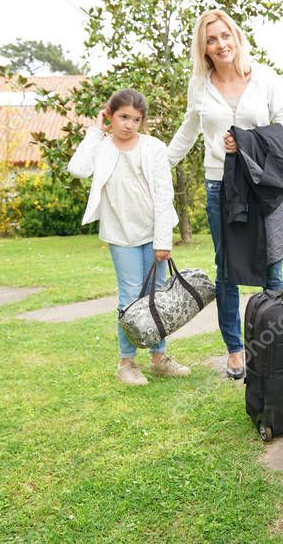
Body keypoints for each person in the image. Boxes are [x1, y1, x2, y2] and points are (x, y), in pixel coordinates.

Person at [168, 10, 283, 380]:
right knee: (227, 268)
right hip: (219, 185)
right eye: (212, 39)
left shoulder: (264, 77)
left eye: (226, 36)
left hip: (263, 183)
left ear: (236, 37)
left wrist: (249, 141)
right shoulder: (199, 85)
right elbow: (188, 132)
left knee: (273, 264)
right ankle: (236, 351)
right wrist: (154, 164)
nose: (221, 44)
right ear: (203, 48)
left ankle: (270, 344)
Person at [68, 89, 190, 386]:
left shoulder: (154, 148)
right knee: (130, 297)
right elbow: (77, 168)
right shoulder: (101, 147)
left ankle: (159, 357)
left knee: (157, 294)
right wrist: (95, 133)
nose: (129, 124)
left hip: (153, 233)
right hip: (120, 234)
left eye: (136, 119)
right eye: (123, 117)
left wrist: (163, 240)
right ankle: (126, 362)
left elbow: (164, 195)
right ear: (109, 115)